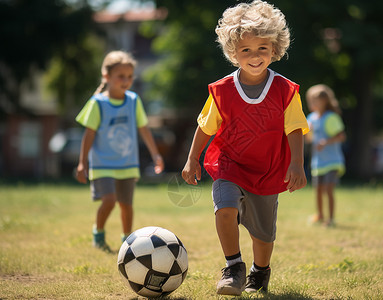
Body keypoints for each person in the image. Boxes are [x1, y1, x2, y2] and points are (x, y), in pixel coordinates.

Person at [181, 0, 309, 295]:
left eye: (262, 48)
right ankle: (234, 266)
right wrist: (192, 159)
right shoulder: (223, 90)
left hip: (268, 170)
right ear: (233, 53)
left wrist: (297, 164)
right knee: (224, 209)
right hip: (230, 164)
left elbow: (295, 128)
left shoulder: (285, 91)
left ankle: (260, 271)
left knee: (263, 235)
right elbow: (205, 126)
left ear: (274, 49)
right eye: (246, 50)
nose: (254, 56)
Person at [75, 51, 164, 252]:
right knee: (109, 200)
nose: (126, 81)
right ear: (106, 77)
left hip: (127, 163)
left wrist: (155, 154)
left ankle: (128, 243)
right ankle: (98, 234)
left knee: (126, 204)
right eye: (120, 76)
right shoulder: (98, 103)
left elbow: (144, 128)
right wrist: (82, 163)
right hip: (102, 163)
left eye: (130, 76)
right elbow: (88, 135)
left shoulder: (133, 100)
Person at [305, 84, 346, 227]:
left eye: (315, 100)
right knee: (318, 190)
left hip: (333, 161)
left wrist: (326, 142)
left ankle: (331, 218)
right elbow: (309, 139)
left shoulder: (331, 117)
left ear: (325, 101)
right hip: (318, 162)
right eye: (310, 100)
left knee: (329, 189)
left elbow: (341, 136)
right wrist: (307, 133)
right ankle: (320, 215)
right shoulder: (311, 118)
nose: (312, 103)